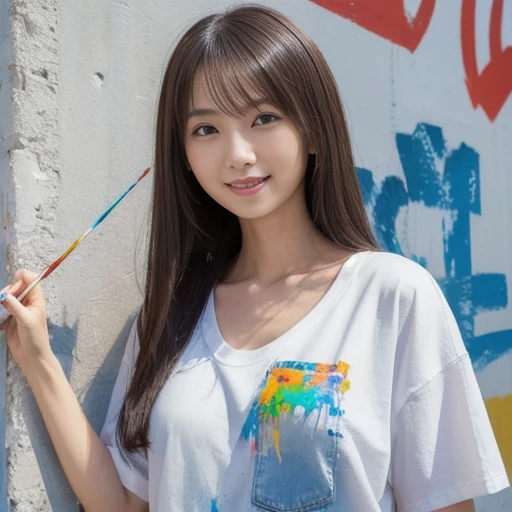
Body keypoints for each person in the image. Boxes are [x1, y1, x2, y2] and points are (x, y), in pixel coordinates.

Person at [0, 4, 509, 512]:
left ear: (312, 127)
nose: (238, 153)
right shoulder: (170, 317)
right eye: (206, 129)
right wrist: (40, 361)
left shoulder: (393, 298)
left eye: (263, 118)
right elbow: (126, 505)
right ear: (182, 150)